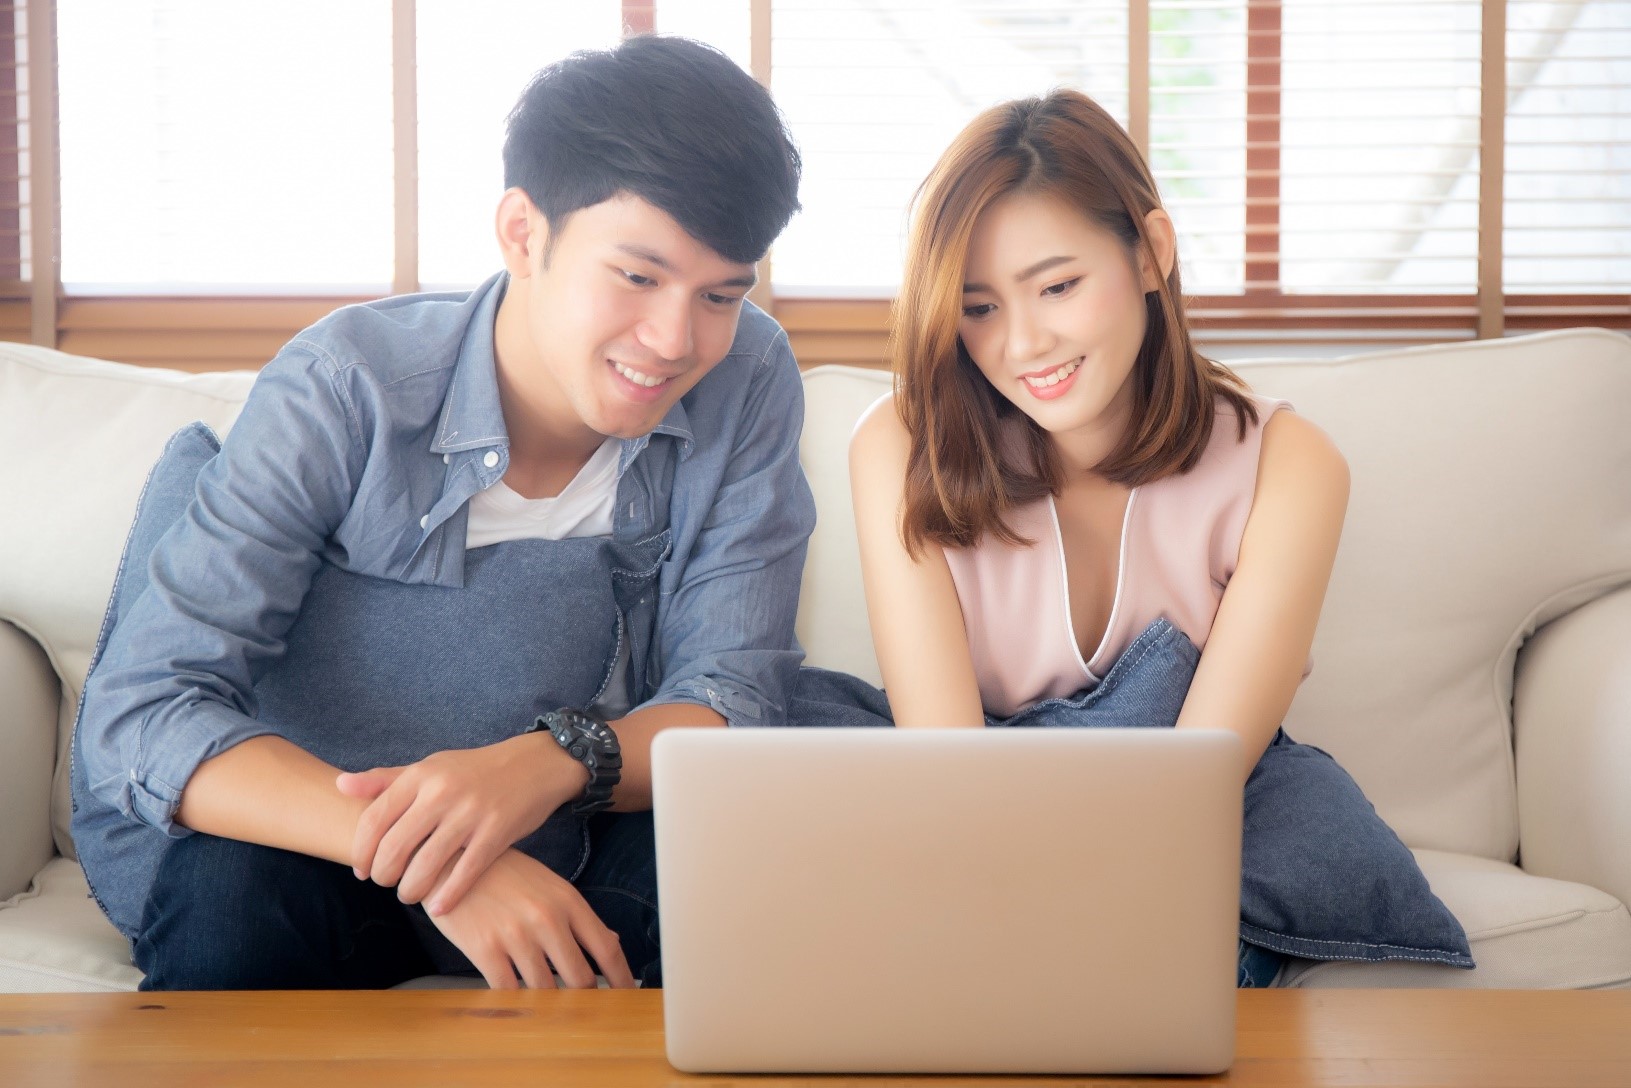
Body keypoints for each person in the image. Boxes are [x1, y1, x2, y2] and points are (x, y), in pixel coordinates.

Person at [72, 35, 808, 992]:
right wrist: (442, 857)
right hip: (307, 843)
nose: (675, 340)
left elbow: (735, 698)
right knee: (231, 904)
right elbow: (143, 711)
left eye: (719, 294)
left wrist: (546, 764)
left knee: (735, 872)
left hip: (569, 832)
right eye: (636, 276)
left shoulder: (746, 372)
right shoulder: (347, 385)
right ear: (523, 232)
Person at [843, 89, 1471, 987]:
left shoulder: (1289, 465)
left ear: (1151, 253)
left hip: (1187, 811)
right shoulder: (901, 441)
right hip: (974, 805)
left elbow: (1196, 783)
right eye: (977, 308)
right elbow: (947, 770)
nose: (1022, 344)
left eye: (1057, 286)